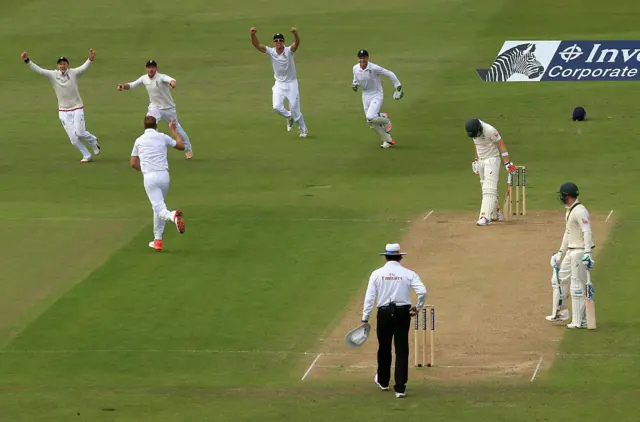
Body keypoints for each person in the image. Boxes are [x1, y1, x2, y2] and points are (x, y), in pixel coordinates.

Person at [361, 243, 427, 398]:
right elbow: (422, 291)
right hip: (403, 314)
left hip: (384, 313)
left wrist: (365, 317)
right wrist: (418, 307)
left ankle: (383, 382)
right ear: (400, 257)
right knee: (401, 349)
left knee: (384, 347)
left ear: (385, 257)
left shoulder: (377, 274)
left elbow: (370, 297)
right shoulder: (408, 273)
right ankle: (400, 388)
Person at [21, 49, 101, 163]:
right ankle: (86, 155)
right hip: (63, 111)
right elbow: (40, 71)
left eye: (64, 64)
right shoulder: (53, 75)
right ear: (57, 65)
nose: (62, 66)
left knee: (80, 132)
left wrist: (90, 59)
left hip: (77, 107)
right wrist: (27, 60)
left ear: (68, 65)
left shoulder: (74, 73)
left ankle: (93, 141)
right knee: (73, 140)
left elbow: (84, 68)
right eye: (60, 64)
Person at [130, 116, 186, 252]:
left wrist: (141, 169)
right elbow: (181, 146)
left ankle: (173, 216)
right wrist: (173, 131)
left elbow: (133, 163)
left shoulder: (139, 140)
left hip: (150, 177)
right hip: (164, 176)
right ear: (156, 126)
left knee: (160, 209)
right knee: (158, 206)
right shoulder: (162, 137)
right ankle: (157, 240)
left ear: (144, 127)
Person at [117, 60, 194, 159]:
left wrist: (172, 84)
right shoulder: (144, 78)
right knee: (150, 125)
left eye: (153, 67)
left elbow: (172, 80)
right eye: (149, 67)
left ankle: (188, 148)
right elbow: (132, 85)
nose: (151, 69)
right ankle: (153, 148)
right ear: (146, 69)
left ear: (156, 68)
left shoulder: (161, 77)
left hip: (168, 108)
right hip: (154, 107)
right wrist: (123, 86)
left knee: (177, 128)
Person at [549, 182, 595, 328]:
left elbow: (587, 231)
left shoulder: (580, 211)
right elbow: (568, 233)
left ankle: (579, 321)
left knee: (577, 286)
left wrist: (587, 253)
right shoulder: (569, 210)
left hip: (580, 252)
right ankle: (561, 312)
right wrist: (560, 253)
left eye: (562, 195)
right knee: (558, 279)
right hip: (571, 250)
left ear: (567, 196)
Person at [250, 27, 309, 138]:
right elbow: (257, 45)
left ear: (283, 42)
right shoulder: (271, 52)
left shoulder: (288, 51)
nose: (278, 42)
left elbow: (296, 44)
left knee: (295, 110)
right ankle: (288, 117)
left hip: (292, 83)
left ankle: (303, 129)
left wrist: (295, 34)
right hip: (279, 84)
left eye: (280, 40)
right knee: (276, 106)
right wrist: (253, 35)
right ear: (274, 43)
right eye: (276, 41)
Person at [466, 118, 516, 225]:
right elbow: (477, 144)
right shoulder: (474, 131)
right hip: (481, 160)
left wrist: (507, 163)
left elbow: (501, 144)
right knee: (485, 186)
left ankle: (485, 217)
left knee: (489, 188)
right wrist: (475, 160)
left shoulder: (489, 130)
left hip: (492, 160)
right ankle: (495, 214)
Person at [352, 50, 404, 148]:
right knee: (371, 121)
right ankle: (387, 140)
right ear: (358, 59)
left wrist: (398, 86)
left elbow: (389, 73)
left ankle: (385, 118)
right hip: (365, 96)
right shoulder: (355, 68)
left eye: (364, 57)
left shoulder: (374, 68)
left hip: (376, 94)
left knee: (371, 116)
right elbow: (355, 80)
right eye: (361, 57)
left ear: (368, 58)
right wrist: (354, 85)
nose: (362, 59)